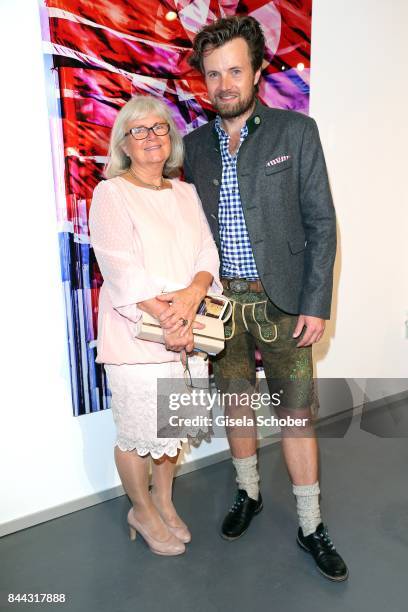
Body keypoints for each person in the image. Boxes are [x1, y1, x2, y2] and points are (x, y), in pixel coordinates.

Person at [183, 16, 348, 581]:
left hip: (283, 305)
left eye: (234, 70)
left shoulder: (296, 133)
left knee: (296, 416)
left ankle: (311, 525)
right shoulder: (192, 147)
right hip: (221, 310)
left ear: (256, 72)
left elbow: (322, 224)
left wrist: (316, 301)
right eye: (213, 74)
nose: (224, 83)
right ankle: (248, 493)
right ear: (203, 81)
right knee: (236, 405)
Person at [89, 95, 222, 556]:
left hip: (189, 331)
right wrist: (170, 317)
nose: (151, 137)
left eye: (159, 128)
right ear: (124, 143)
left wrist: (190, 300)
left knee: (173, 429)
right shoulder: (111, 192)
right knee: (137, 432)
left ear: (172, 138)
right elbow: (120, 269)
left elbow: (207, 252)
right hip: (138, 335)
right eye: (139, 130)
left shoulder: (184, 192)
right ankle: (140, 510)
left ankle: (164, 502)